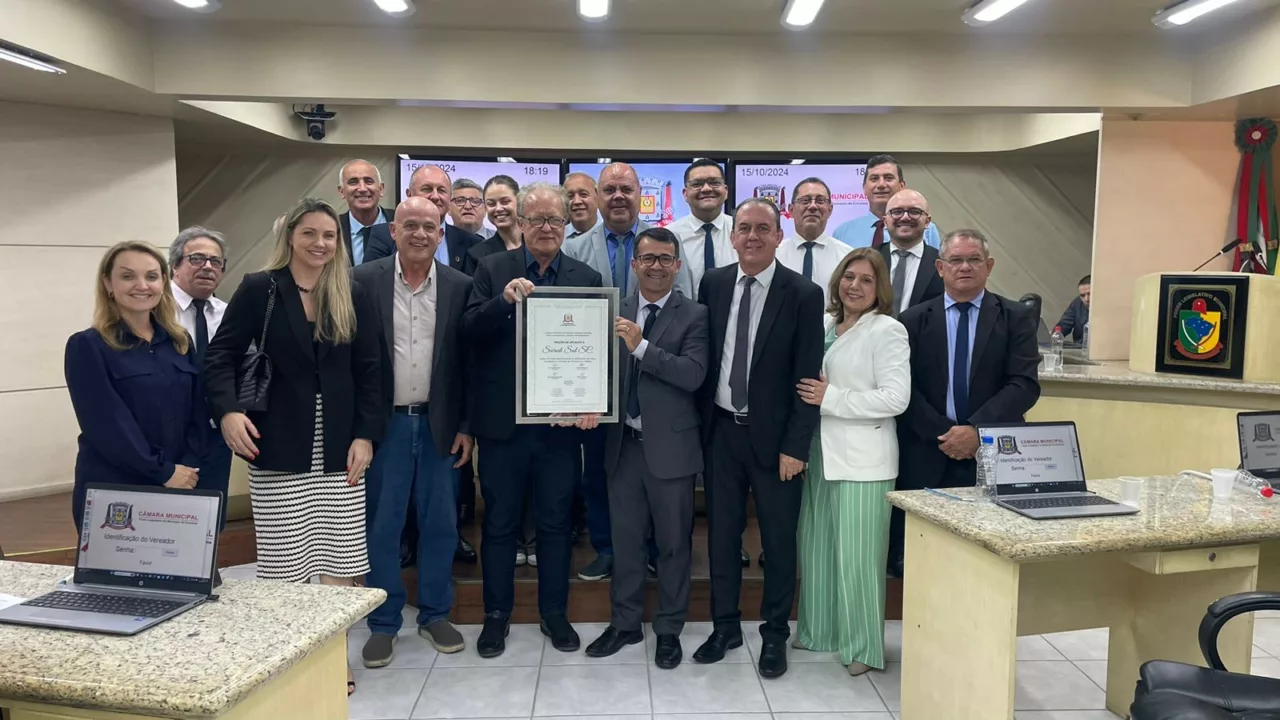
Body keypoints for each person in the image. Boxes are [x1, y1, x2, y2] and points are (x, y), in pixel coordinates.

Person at [203, 197, 384, 694]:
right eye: (310, 234)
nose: (320, 243)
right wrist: (228, 411)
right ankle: (293, 660)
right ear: (291, 237)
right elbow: (220, 357)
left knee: (341, 564)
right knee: (287, 565)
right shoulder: (260, 288)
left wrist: (367, 435)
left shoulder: (351, 289)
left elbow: (371, 369)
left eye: (329, 235)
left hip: (341, 448)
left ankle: (334, 660)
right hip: (278, 445)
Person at [462, 182, 603, 658]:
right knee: (499, 524)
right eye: (537, 220)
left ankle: (554, 613)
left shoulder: (584, 277)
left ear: (566, 226)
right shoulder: (492, 268)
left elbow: (596, 352)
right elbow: (468, 333)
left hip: (561, 429)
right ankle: (495, 616)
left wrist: (592, 402)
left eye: (555, 221)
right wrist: (502, 302)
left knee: (556, 523)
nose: (546, 228)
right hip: (503, 427)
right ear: (519, 224)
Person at [693, 198, 824, 679]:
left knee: (778, 540)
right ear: (733, 235)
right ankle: (724, 626)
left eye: (762, 228)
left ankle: (773, 634)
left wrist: (797, 446)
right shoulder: (714, 283)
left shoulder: (804, 294)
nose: (752, 236)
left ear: (778, 235)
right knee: (722, 537)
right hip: (721, 433)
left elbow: (808, 380)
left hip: (776, 444)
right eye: (744, 227)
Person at [565, 161, 698, 582]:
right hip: (596, 380)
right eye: (610, 189)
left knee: (657, 474)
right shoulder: (575, 248)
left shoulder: (665, 246)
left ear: (640, 194)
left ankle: (657, 551)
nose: (618, 196)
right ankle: (609, 548)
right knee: (603, 470)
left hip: (655, 376)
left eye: (626, 188)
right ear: (598, 197)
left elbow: (687, 307)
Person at [354, 197, 474, 665]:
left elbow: (468, 366)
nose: (420, 233)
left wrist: (466, 426)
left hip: (439, 425)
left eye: (430, 226)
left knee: (440, 523)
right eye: (411, 225)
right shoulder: (362, 281)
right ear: (393, 231)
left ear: (441, 234)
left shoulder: (461, 286)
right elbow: (353, 361)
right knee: (382, 526)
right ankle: (383, 622)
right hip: (383, 427)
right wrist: (359, 431)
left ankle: (434, 614)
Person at [585, 228, 710, 670]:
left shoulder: (694, 314)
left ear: (677, 266)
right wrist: (583, 404)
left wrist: (640, 346)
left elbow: (692, 374)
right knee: (626, 541)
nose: (656, 266)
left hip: (671, 450)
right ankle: (623, 624)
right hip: (623, 447)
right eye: (648, 258)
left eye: (665, 259)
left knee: (674, 546)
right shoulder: (611, 310)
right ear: (633, 264)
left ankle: (670, 629)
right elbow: (594, 372)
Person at [889, 229, 1042, 578]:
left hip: (992, 453)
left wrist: (976, 431)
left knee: (987, 558)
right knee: (919, 557)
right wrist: (946, 433)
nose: (965, 267)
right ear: (940, 267)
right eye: (956, 260)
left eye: (974, 259)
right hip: (927, 450)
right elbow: (902, 388)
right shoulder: (912, 319)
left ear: (988, 266)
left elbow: (1024, 385)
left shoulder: (1016, 317)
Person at [793, 248, 910, 677]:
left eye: (865, 279)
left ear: (880, 288)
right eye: (848, 277)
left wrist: (832, 399)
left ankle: (862, 645)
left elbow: (896, 398)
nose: (854, 286)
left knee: (859, 560)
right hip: (820, 454)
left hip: (865, 460)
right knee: (818, 549)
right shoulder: (827, 324)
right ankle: (819, 631)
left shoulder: (887, 330)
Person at [65, 242, 208, 531]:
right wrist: (163, 471)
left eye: (152, 276)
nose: (142, 285)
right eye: (128, 276)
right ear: (108, 283)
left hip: (179, 485)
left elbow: (197, 412)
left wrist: (186, 470)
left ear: (163, 283)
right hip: (117, 489)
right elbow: (107, 424)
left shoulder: (179, 342)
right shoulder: (88, 345)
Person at [169, 226, 232, 528]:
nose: (207, 266)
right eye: (197, 259)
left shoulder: (227, 314)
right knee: (166, 526)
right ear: (175, 265)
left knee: (209, 527)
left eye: (215, 261)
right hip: (168, 438)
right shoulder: (155, 311)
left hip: (215, 436)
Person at [368, 165, 481, 269]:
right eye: (427, 189)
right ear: (409, 194)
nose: (435, 196)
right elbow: (372, 281)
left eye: (441, 190)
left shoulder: (471, 242)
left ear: (450, 198)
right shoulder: (382, 235)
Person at [831, 155, 942, 250]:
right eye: (874, 179)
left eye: (888, 178)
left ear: (901, 186)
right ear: (864, 188)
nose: (881, 185)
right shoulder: (842, 233)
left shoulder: (926, 229)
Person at [777, 177, 855, 307]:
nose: (813, 206)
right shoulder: (775, 256)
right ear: (791, 210)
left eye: (820, 201)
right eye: (805, 200)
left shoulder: (847, 257)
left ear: (830, 209)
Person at [667, 159, 736, 292]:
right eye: (697, 184)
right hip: (684, 312)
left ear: (725, 191)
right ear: (685, 194)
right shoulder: (669, 236)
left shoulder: (742, 232)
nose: (706, 189)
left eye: (714, 182)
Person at [879, 190, 944, 316]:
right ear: (885, 221)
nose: (905, 217)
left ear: (927, 221)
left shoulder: (943, 264)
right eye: (897, 212)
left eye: (914, 212)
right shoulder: (869, 260)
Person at [337, 159, 395, 267]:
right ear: (342, 192)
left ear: (381, 189)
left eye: (369, 181)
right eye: (353, 182)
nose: (362, 188)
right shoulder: (333, 228)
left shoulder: (400, 222)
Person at [467, 175, 522, 270]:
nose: (499, 208)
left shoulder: (538, 244)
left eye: (505, 202)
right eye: (491, 204)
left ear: (519, 202)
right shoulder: (477, 254)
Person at [564, 172, 601, 239]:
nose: (577, 201)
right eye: (570, 196)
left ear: (598, 198)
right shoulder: (558, 237)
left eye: (583, 194)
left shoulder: (613, 232)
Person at [1057, 274, 1091, 343]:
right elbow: (1064, 325)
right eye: (1082, 295)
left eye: (1089, 294)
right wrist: (1054, 335)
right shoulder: (1077, 303)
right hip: (1079, 349)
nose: (1086, 299)